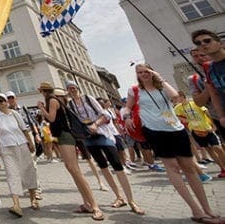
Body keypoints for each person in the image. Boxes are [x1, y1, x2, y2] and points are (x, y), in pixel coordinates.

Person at [122, 64, 221, 224]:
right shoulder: (134, 90)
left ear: (152, 71)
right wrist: (127, 118)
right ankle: (196, 210)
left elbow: (175, 97)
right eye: (139, 73)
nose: (143, 75)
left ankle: (207, 209)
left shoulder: (162, 86)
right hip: (154, 131)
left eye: (146, 71)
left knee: (189, 168)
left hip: (175, 128)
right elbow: (128, 107)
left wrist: (159, 78)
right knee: (173, 168)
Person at [65, 81, 144, 215]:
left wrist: (95, 125)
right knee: (103, 167)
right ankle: (119, 197)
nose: (72, 90)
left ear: (78, 88)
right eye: (69, 88)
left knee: (117, 166)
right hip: (88, 138)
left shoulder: (88, 99)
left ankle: (132, 201)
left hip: (102, 134)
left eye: (74, 87)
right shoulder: (70, 105)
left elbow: (105, 115)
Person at [36, 81, 104, 221]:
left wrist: (42, 109)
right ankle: (87, 204)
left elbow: (51, 118)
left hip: (65, 135)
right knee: (72, 169)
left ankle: (95, 206)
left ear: (42, 91)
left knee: (75, 170)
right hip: (63, 136)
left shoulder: (52, 100)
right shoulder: (54, 99)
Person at [0, 93, 38, 218]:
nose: (0, 103)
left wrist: (30, 142)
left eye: (1, 101)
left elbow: (24, 129)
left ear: (6, 102)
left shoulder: (15, 114)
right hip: (6, 148)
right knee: (12, 174)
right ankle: (16, 204)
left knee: (28, 171)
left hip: (22, 145)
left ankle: (33, 198)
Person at [173, 91, 225, 179]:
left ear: (182, 96)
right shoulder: (178, 108)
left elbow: (207, 113)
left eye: (177, 97)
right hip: (195, 131)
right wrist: (184, 120)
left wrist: (214, 126)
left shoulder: (195, 103)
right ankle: (222, 168)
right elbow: (176, 116)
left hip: (206, 128)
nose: (176, 100)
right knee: (209, 150)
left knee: (217, 148)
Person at [191, 30, 225, 137]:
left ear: (220, 43)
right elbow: (214, 94)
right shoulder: (208, 67)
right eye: (198, 43)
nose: (203, 44)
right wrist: (221, 117)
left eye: (207, 40)